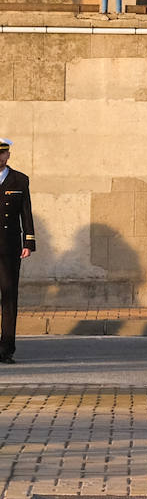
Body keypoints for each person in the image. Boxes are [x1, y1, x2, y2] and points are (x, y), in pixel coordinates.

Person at [0, 138, 36, 365]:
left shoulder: (19, 180)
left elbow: (26, 213)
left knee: (9, 297)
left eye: (2, 153)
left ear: (8, 155)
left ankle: (6, 349)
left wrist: (28, 242)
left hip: (9, 247)